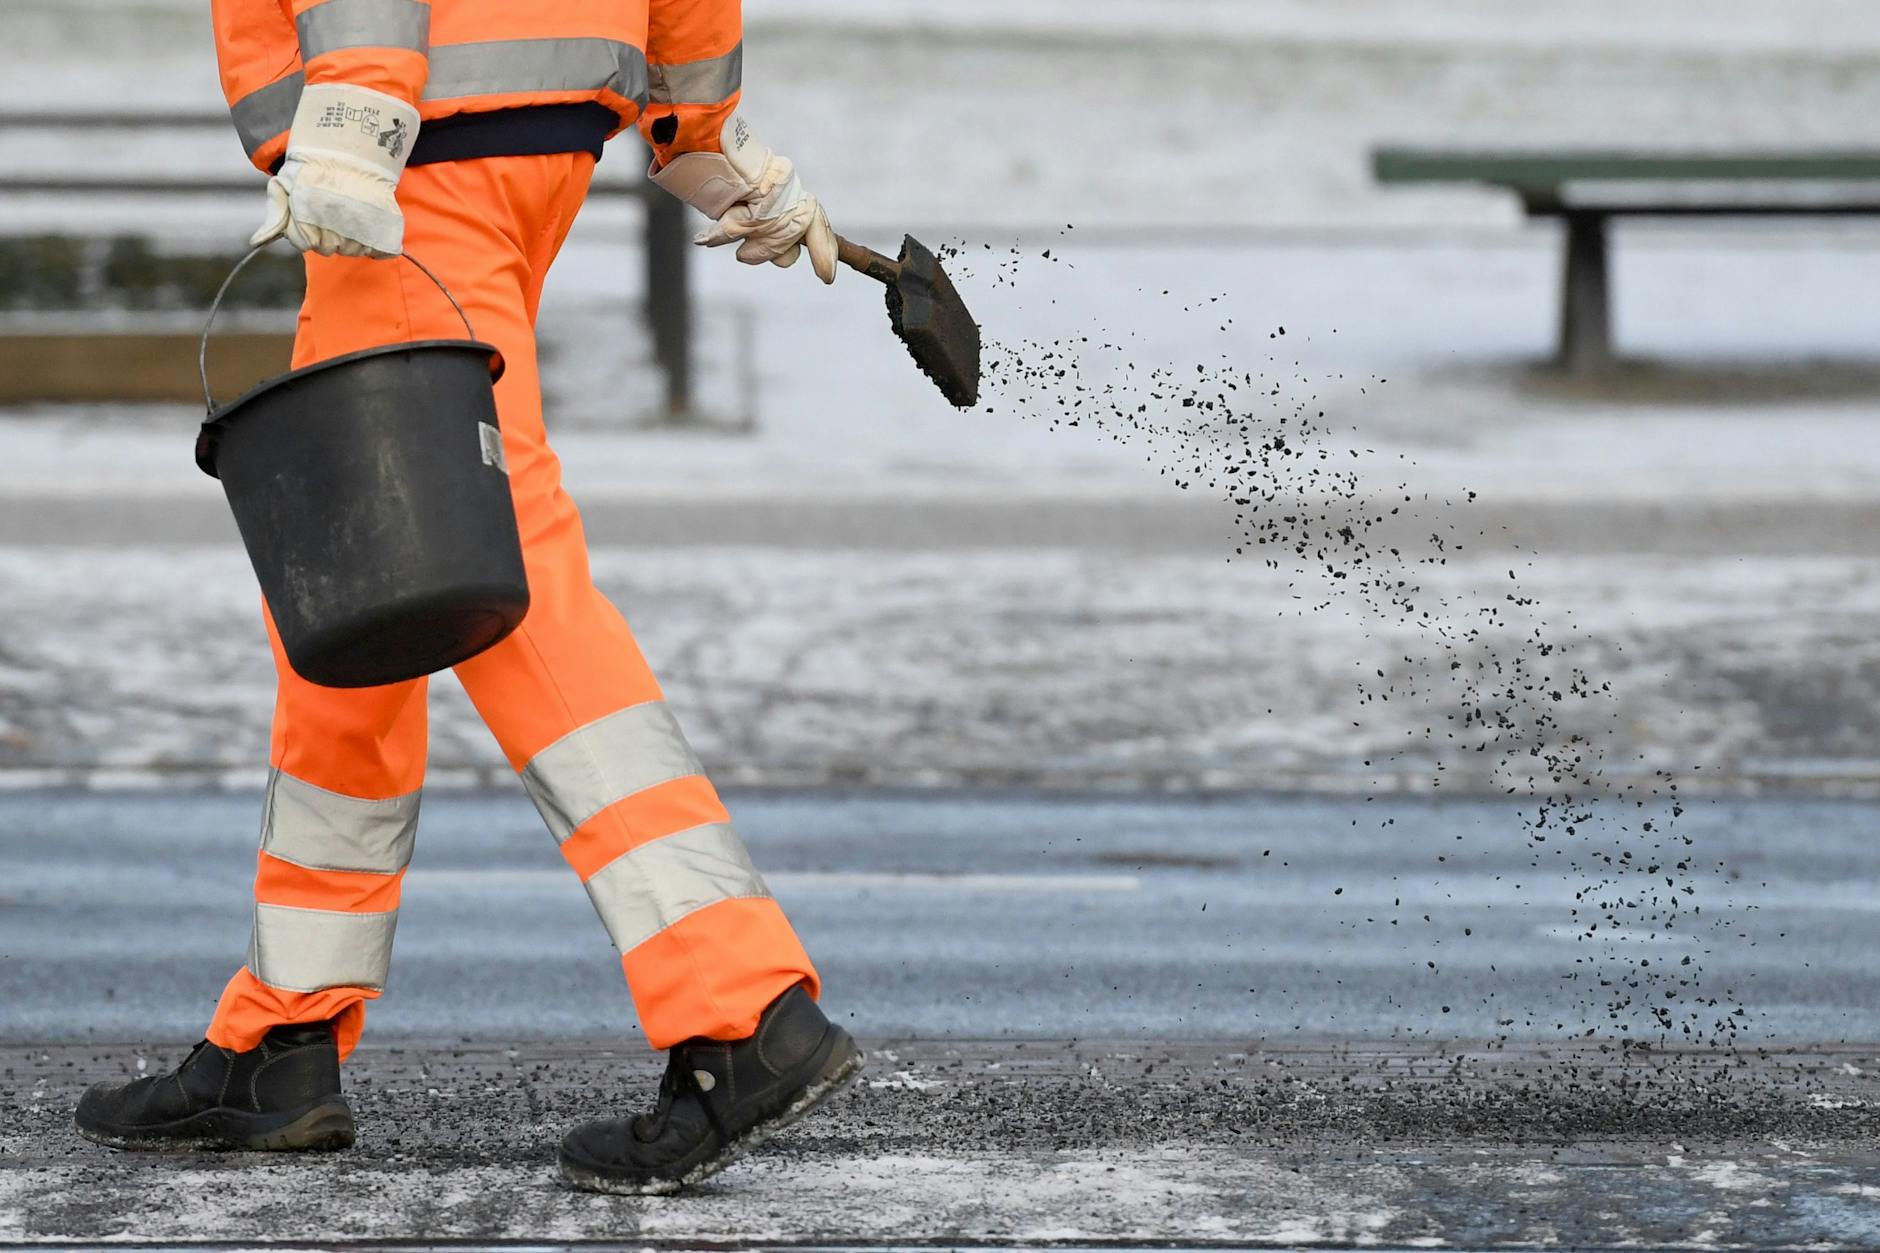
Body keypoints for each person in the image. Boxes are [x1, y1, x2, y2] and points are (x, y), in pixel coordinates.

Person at [72, 0, 860, 1196]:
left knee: (489, 573)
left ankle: (737, 1002)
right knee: (356, 583)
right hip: (525, 135)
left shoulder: (379, 114)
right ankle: (284, 1032)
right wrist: (707, 134)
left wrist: (356, 106)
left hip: (408, 139)